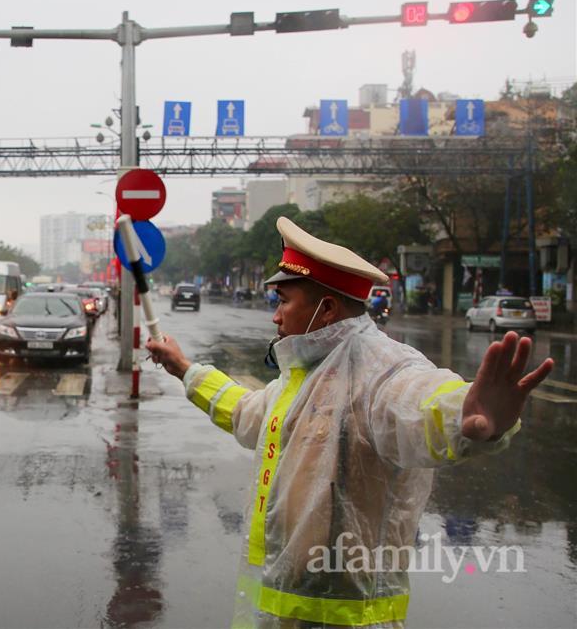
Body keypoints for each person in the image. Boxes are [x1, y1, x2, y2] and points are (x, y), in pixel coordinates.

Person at [145, 217, 554, 629]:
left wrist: (467, 413)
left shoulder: (381, 368)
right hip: (283, 611)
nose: (275, 317)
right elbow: (247, 413)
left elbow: (418, 400)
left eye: (282, 301)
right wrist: (184, 369)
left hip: (346, 618)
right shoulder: (305, 374)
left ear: (325, 309)